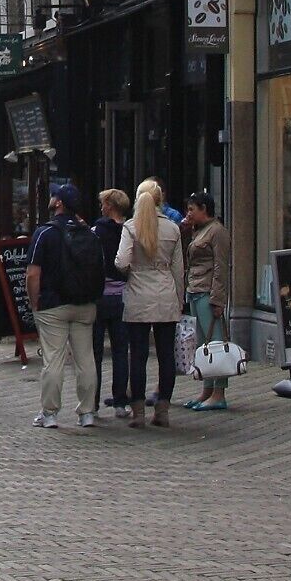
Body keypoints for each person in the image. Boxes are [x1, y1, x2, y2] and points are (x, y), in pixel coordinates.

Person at [27, 184, 105, 428]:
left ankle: (49, 414)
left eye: (54, 196)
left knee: (53, 359)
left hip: (53, 305)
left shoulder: (45, 233)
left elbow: (32, 274)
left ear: (59, 203)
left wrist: (34, 301)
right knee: (86, 359)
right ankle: (87, 412)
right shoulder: (90, 233)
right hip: (84, 304)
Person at [113, 179, 187, 427]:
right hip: (165, 293)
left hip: (138, 295)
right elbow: (179, 270)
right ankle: (163, 411)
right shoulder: (173, 229)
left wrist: (134, 270)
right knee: (167, 355)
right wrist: (180, 298)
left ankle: (138, 413)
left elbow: (121, 261)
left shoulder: (131, 227)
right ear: (160, 200)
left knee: (139, 355)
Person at [181, 189, 233, 413]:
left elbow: (222, 267)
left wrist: (218, 299)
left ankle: (219, 392)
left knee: (215, 342)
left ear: (204, 209)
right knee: (203, 344)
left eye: (192, 209)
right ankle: (207, 389)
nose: (188, 213)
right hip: (194, 290)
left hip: (207, 291)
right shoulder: (197, 231)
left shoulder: (217, 232)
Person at [92, 189, 128, 408]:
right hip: (123, 295)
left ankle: (92, 402)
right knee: (121, 351)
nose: (101, 207)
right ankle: (120, 400)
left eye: (103, 203)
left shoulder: (96, 231)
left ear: (109, 205)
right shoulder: (129, 230)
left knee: (95, 351)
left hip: (100, 295)